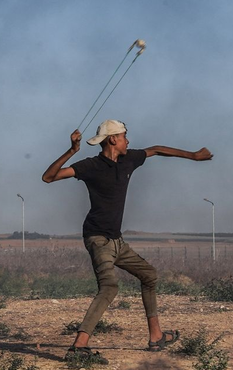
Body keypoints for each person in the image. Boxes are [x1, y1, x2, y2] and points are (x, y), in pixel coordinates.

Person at [42, 120, 212, 355]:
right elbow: (49, 177)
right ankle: (79, 346)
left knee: (149, 275)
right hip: (98, 238)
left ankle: (156, 336)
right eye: (124, 136)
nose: (127, 141)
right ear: (113, 139)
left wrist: (193, 156)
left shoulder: (128, 160)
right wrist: (71, 151)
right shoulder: (90, 166)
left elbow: (156, 149)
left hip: (117, 241)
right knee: (109, 287)